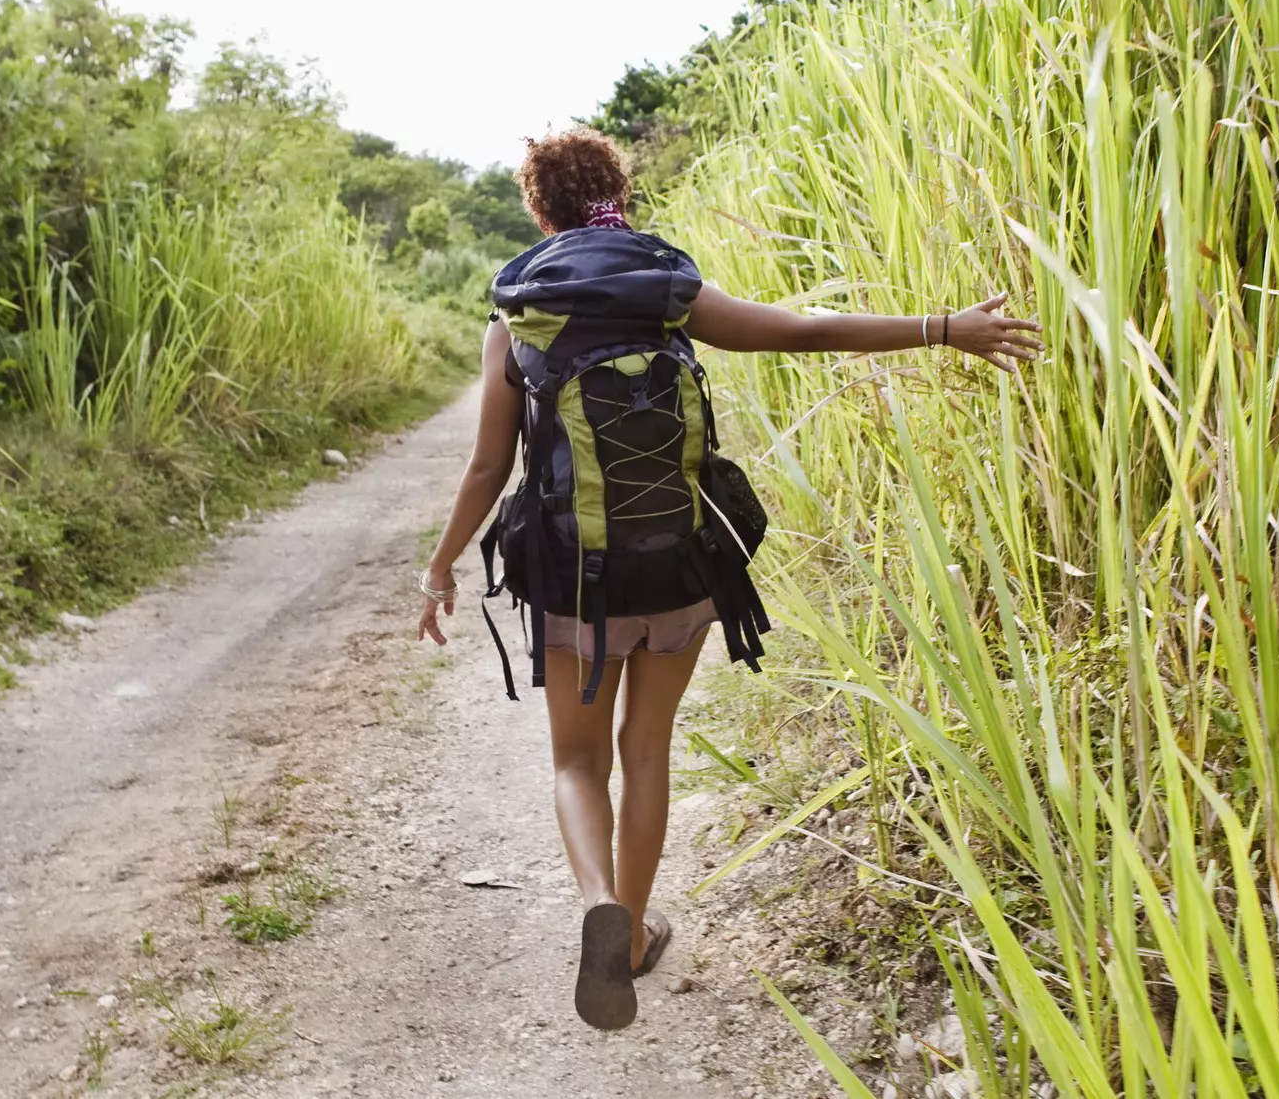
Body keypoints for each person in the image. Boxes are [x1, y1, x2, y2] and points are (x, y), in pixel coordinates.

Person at [414, 126, 1043, 1030]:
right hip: (678, 564)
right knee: (646, 750)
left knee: (578, 761)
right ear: (618, 195)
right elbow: (803, 331)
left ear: (540, 211)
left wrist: (441, 568)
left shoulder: (518, 315)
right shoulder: (665, 287)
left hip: (572, 574)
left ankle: (598, 901)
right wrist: (946, 329)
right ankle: (632, 935)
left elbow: (487, 467)